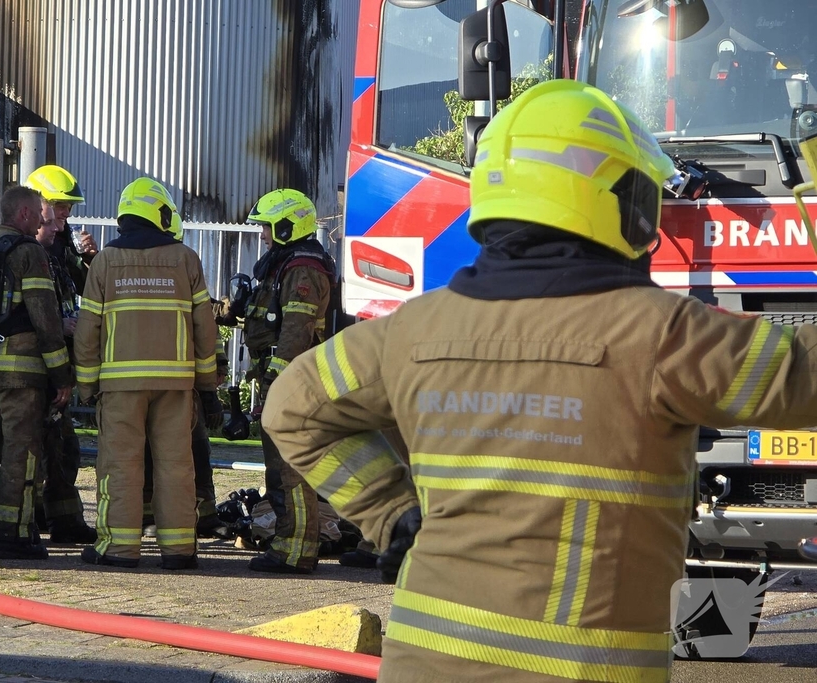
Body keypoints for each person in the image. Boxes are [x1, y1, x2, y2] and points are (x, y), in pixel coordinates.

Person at [262, 79, 817, 682]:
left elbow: (292, 406)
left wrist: (391, 513)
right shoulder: (663, 335)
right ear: (621, 203)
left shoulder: (412, 331)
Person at [73, 177, 221, 570]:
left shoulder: (104, 261)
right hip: (176, 385)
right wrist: (207, 385)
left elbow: (89, 329)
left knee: (121, 465)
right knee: (177, 465)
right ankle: (179, 551)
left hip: (120, 386)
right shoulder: (185, 259)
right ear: (159, 214)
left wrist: (86, 384)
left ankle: (119, 549)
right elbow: (205, 328)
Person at [233, 188, 335, 574]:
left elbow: (296, 327)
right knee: (279, 468)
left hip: (294, 383)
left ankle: (296, 551)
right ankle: (286, 543)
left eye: (267, 227)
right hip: (284, 380)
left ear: (289, 226)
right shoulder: (285, 263)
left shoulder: (302, 268)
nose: (262, 234)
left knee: (292, 469)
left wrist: (278, 378)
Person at [0, 185, 74, 561]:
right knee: (22, 453)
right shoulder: (30, 253)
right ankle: (11, 534)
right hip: (22, 376)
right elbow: (46, 319)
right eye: (36, 212)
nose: (39, 220)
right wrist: (61, 375)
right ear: (24, 215)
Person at [32, 199, 97, 544]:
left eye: (68, 210)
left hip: (55, 367)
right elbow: (33, 315)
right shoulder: (28, 255)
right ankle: (44, 522)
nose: (64, 219)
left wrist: (89, 259)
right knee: (45, 451)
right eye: (59, 208)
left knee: (60, 449)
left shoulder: (62, 250)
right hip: (37, 370)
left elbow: (88, 288)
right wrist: (61, 326)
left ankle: (52, 519)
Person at [25, 164, 98, 293]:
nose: (67, 213)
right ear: (38, 205)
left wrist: (89, 258)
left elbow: (88, 289)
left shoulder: (64, 244)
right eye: (61, 206)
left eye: (69, 207)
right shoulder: (22, 247)